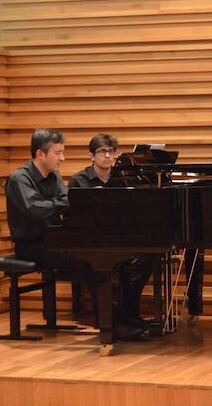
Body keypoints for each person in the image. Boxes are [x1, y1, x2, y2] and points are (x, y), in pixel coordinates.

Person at [69, 134, 153, 340]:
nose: (107, 156)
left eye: (110, 152)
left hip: (118, 238)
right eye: (102, 152)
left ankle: (130, 315)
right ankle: (113, 322)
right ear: (92, 156)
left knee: (145, 259)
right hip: (90, 241)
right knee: (105, 264)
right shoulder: (79, 180)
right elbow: (75, 215)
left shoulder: (122, 179)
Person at [5, 128, 97, 314]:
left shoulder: (54, 176)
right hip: (32, 246)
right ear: (40, 154)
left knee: (99, 256)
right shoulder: (19, 179)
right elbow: (35, 210)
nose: (62, 158)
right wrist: (63, 202)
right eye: (58, 153)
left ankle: (116, 316)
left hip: (55, 241)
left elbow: (66, 202)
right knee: (88, 263)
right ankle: (106, 319)